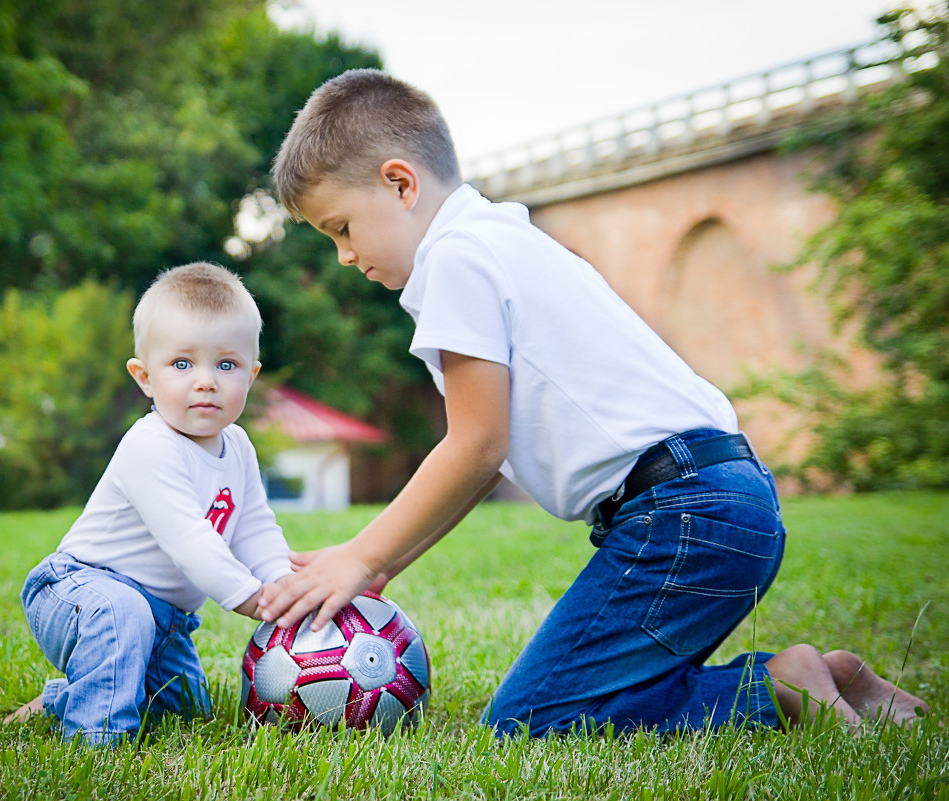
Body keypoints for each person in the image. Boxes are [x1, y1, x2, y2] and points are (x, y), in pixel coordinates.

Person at [257, 69, 930, 736]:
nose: (343, 255)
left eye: (340, 227)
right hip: (727, 499)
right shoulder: (504, 239)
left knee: (534, 717)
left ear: (400, 183)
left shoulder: (456, 260)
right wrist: (385, 565)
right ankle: (828, 678)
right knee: (608, 691)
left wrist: (362, 556)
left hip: (680, 516)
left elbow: (474, 444)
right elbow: (491, 461)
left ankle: (778, 688)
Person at [6, 262, 292, 745]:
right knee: (124, 615)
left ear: (252, 373)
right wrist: (253, 599)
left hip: (164, 620)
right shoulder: (151, 445)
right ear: (144, 377)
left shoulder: (238, 446)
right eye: (182, 364)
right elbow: (191, 541)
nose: (205, 381)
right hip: (81, 592)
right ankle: (95, 742)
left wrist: (283, 585)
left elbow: (254, 529)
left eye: (226, 365)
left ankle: (61, 698)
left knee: (185, 707)